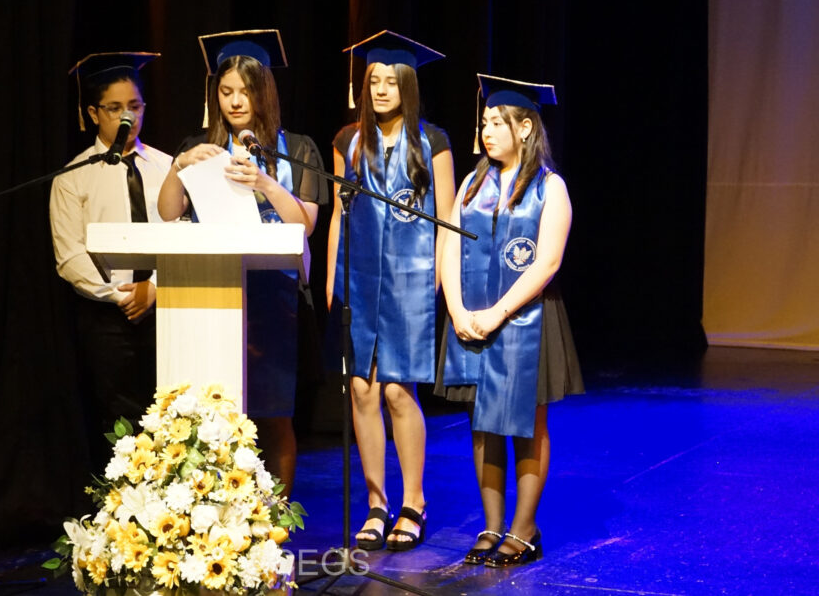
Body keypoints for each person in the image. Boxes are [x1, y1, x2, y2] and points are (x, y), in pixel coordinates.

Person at [157, 29, 326, 495]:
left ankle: (275, 519)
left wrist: (266, 183)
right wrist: (179, 165)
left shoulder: (296, 149)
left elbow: (305, 224)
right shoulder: (200, 147)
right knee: (213, 412)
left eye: (245, 92)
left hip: (276, 299)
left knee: (273, 414)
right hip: (211, 294)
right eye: (226, 91)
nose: (234, 102)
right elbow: (168, 212)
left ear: (264, 93)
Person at [437, 74, 584, 567]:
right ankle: (491, 524)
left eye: (497, 123)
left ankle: (524, 529)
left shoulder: (550, 188)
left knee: (526, 423)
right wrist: (458, 309)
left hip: (528, 320)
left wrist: (498, 313)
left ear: (525, 128)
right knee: (482, 423)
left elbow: (547, 262)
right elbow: (450, 247)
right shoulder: (472, 184)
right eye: (484, 123)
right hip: (470, 320)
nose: (486, 131)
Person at [325, 31, 456, 552]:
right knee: (362, 389)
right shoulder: (348, 141)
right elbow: (339, 214)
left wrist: (439, 283)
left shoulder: (432, 142)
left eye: (391, 81)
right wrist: (332, 281)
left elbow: (447, 221)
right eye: (373, 80)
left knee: (400, 391)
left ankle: (414, 501)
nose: (380, 89)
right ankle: (377, 503)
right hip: (357, 279)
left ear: (408, 86)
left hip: (411, 282)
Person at [50, 52, 172, 465]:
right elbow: (70, 255)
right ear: (93, 113)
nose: (127, 117)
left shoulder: (166, 167)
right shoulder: (74, 176)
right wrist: (121, 295)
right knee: (118, 423)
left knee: (171, 415)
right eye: (115, 108)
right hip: (107, 317)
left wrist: (154, 287)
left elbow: (182, 234)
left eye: (134, 106)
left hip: (163, 308)